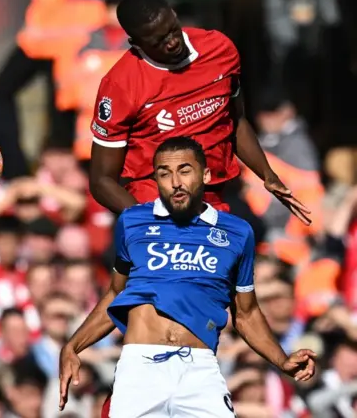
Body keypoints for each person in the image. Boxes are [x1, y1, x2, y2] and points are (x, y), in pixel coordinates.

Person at [59, 137, 316, 417]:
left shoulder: (237, 233)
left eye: (184, 170)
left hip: (200, 370)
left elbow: (246, 313)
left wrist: (282, 360)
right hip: (140, 369)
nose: (175, 182)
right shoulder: (132, 222)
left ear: (205, 174)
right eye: (164, 173)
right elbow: (116, 294)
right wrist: (73, 345)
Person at [87, 0, 310, 226]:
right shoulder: (120, 85)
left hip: (214, 199)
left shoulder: (219, 50)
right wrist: (148, 221)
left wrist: (267, 175)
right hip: (155, 203)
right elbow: (101, 180)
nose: (172, 42)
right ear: (136, 43)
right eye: (158, 42)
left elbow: (233, 122)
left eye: (172, 30)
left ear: (174, 14)